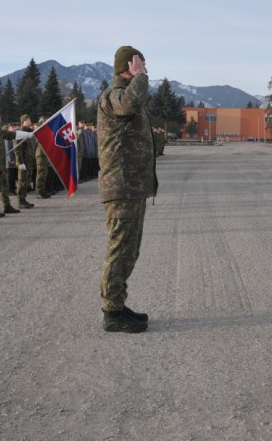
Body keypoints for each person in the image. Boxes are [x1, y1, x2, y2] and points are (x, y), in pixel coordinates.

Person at [97, 46, 156, 333]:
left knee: (129, 250)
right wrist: (140, 77)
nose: (145, 66)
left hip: (132, 187)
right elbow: (129, 102)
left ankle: (118, 305)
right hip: (120, 186)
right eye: (140, 62)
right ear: (129, 66)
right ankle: (111, 313)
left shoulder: (128, 92)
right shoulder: (113, 96)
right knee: (120, 249)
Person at [0, 111, 33, 218]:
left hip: (1, 165)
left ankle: (7, 206)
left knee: (4, 187)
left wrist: (26, 134)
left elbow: (12, 134)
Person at [15, 114, 35, 209]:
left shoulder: (30, 132)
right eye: (26, 120)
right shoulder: (20, 133)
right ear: (22, 122)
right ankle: (21, 201)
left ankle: (24, 199)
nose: (28, 121)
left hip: (29, 162)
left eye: (29, 119)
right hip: (23, 162)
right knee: (22, 181)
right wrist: (20, 162)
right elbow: (17, 149)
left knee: (27, 181)